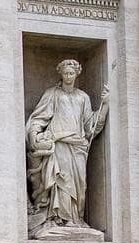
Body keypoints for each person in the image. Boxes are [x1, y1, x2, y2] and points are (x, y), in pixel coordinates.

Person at [25, 59, 108, 230]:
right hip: (60, 144)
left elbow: (90, 126)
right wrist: (34, 133)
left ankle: (76, 218)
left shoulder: (83, 97)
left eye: (71, 73)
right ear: (61, 74)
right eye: (65, 73)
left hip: (78, 146)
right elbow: (39, 117)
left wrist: (105, 105)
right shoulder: (52, 94)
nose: (68, 76)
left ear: (77, 74)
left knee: (80, 184)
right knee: (63, 181)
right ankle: (60, 219)